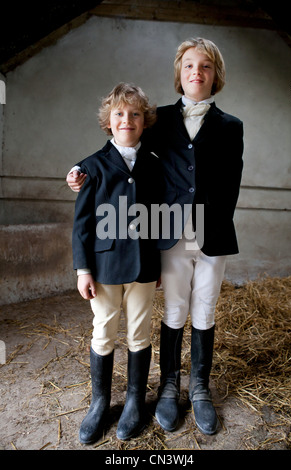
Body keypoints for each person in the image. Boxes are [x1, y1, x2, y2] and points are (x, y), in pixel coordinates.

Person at [67, 38, 244, 436]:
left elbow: (231, 184)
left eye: (205, 67)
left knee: (205, 308)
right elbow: (119, 145)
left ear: (216, 76)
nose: (196, 72)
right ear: (179, 75)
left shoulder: (232, 127)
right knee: (175, 309)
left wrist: (214, 225)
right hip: (170, 234)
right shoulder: (160, 118)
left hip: (212, 235)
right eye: (188, 66)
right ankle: (166, 387)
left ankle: (198, 388)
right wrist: (80, 169)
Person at [72, 82, 162, 444]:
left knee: (139, 331)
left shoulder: (155, 164)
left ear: (144, 121)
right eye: (120, 114)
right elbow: (82, 224)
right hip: (105, 267)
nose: (127, 120)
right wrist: (83, 269)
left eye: (135, 114)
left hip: (143, 266)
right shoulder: (91, 167)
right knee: (104, 330)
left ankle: (135, 402)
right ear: (109, 121)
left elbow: (160, 216)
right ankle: (100, 402)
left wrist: (160, 265)